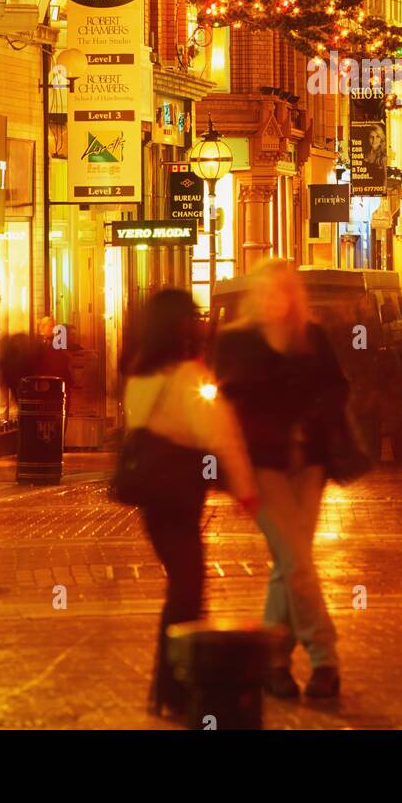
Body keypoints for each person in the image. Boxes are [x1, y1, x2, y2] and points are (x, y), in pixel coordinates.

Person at [214, 259, 349, 701]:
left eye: (286, 291)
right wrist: (235, 474)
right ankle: (324, 657)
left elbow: (337, 390)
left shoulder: (313, 339)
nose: (278, 299)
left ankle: (273, 661)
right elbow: (226, 410)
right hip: (263, 468)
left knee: (290, 563)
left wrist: (314, 420)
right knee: (294, 561)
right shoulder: (237, 342)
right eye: (270, 291)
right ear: (257, 295)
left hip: (309, 464)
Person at [123, 289, 257, 715]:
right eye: (192, 317)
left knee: (183, 584)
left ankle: (168, 688)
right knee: (187, 586)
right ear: (179, 324)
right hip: (180, 493)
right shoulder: (186, 377)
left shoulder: (137, 375)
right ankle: (175, 686)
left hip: (153, 496)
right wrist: (245, 488)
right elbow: (219, 434)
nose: (198, 322)